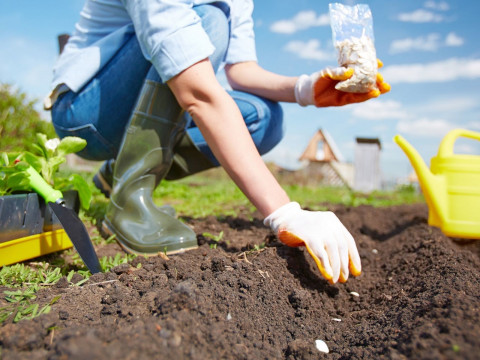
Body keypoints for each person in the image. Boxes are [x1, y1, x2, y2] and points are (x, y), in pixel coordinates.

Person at [44, 0, 390, 284]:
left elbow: (241, 72)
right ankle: (127, 202)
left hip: (142, 97)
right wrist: (285, 212)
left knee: (263, 118)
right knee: (208, 18)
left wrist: (307, 90)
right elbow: (197, 92)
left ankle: (113, 173)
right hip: (85, 112)